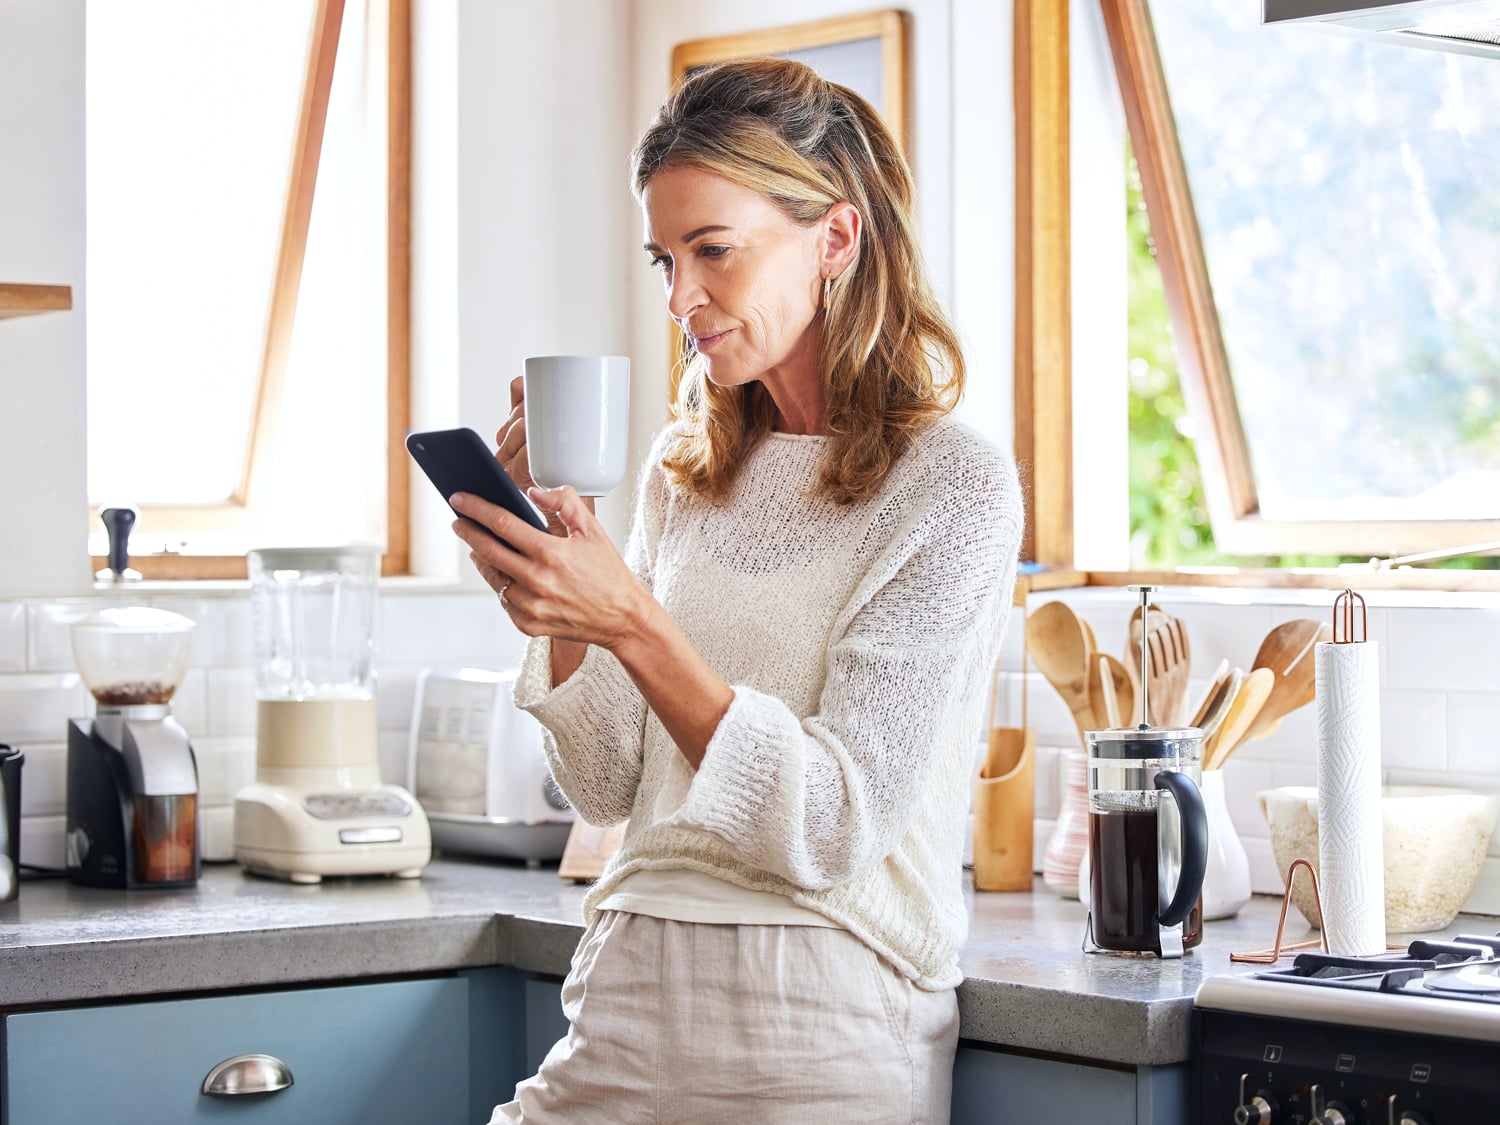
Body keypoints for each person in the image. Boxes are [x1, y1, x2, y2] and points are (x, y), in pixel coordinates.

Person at [450, 56, 1023, 1124]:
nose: (680, 297)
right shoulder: (690, 470)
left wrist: (629, 616)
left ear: (836, 239)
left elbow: (829, 824)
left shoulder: (954, 488)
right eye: (665, 259)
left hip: (819, 1014)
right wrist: (558, 597)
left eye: (713, 250)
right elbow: (608, 785)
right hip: (626, 985)